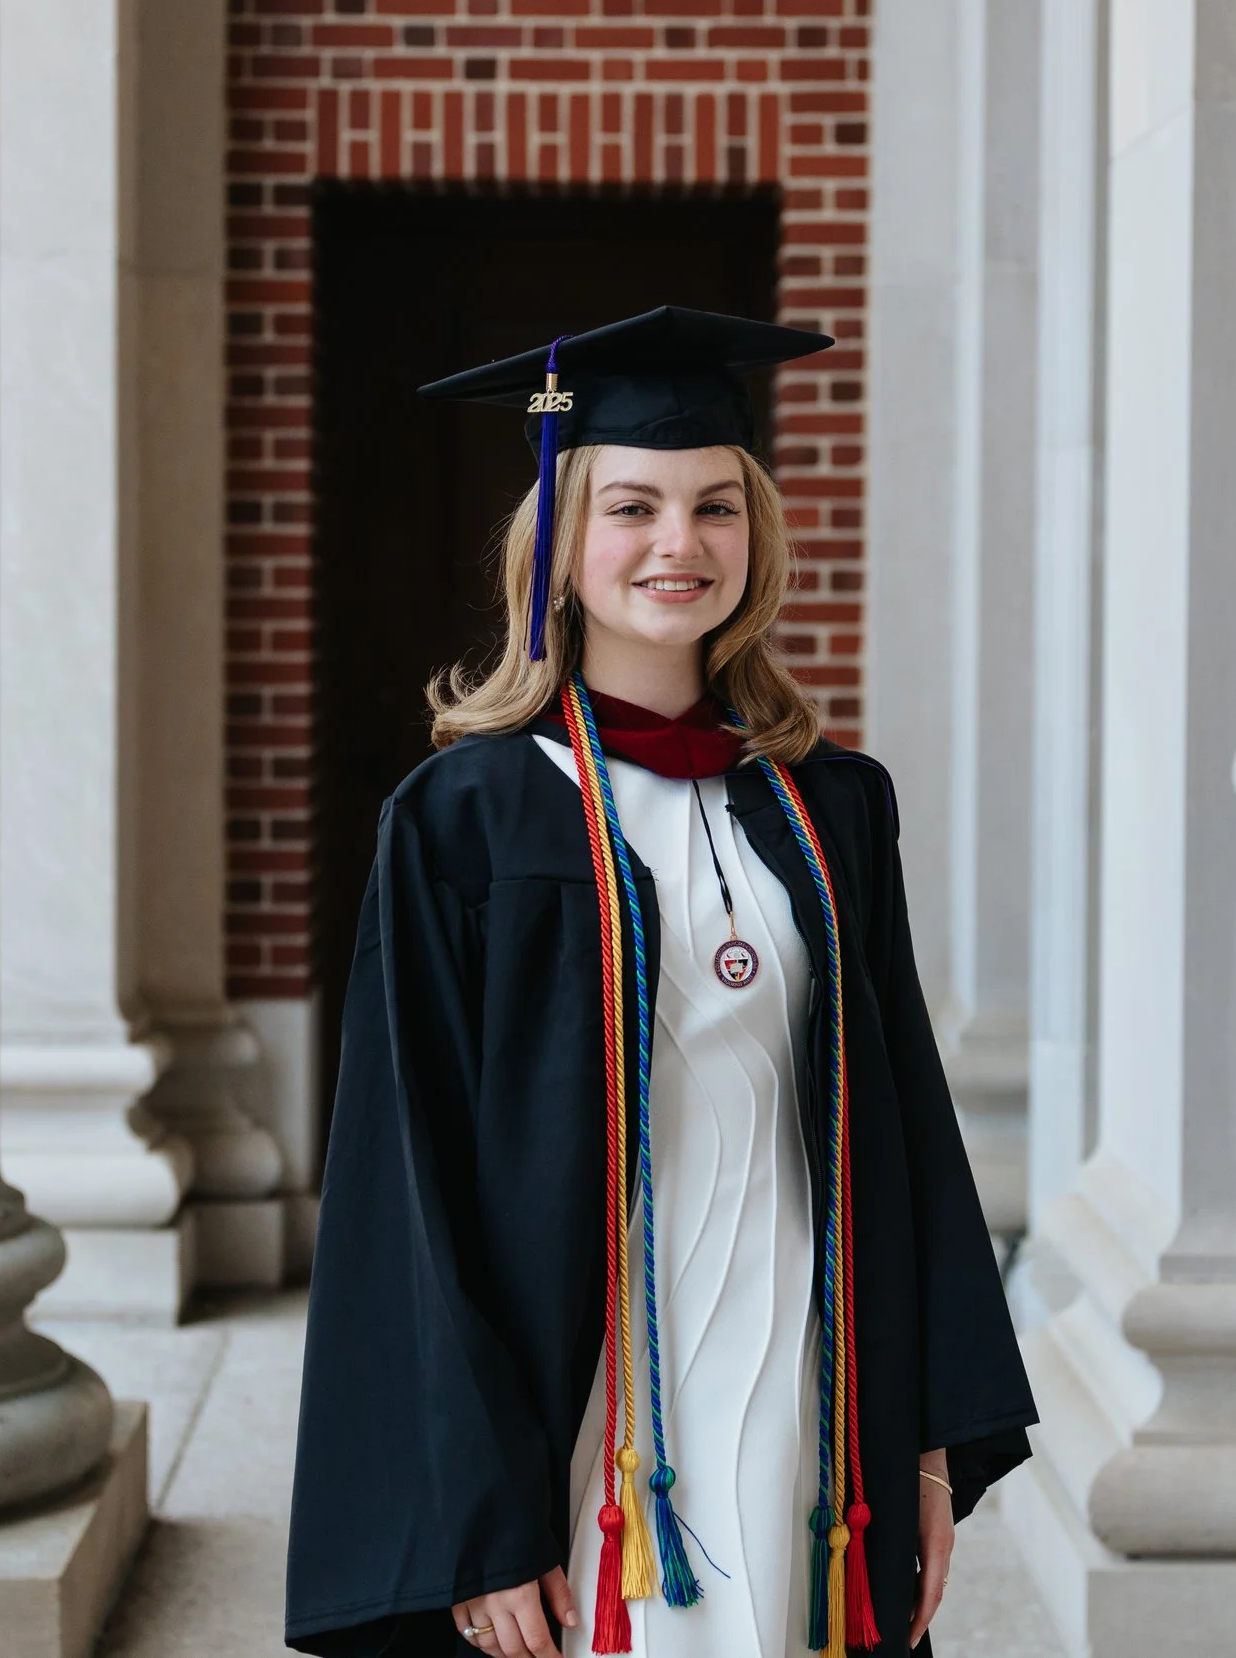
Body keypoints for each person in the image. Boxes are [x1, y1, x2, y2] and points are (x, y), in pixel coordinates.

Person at [285, 308, 1035, 1658]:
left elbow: (908, 1130)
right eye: (631, 506)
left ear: (757, 538)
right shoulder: (465, 821)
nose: (679, 543)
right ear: (560, 546)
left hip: (809, 1376)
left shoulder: (831, 806)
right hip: (587, 1407)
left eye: (715, 506)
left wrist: (926, 1448)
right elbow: (411, 1185)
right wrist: (480, 1517)